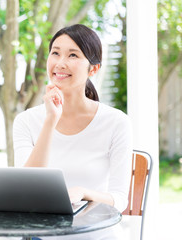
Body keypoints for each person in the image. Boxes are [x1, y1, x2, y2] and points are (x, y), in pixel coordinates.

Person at [13, 24, 132, 213]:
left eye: (73, 55)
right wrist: (51, 120)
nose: (60, 63)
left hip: (96, 234)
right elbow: (26, 188)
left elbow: (120, 200)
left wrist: (84, 192)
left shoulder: (116, 122)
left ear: (93, 69)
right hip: (43, 233)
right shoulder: (26, 121)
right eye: (55, 53)